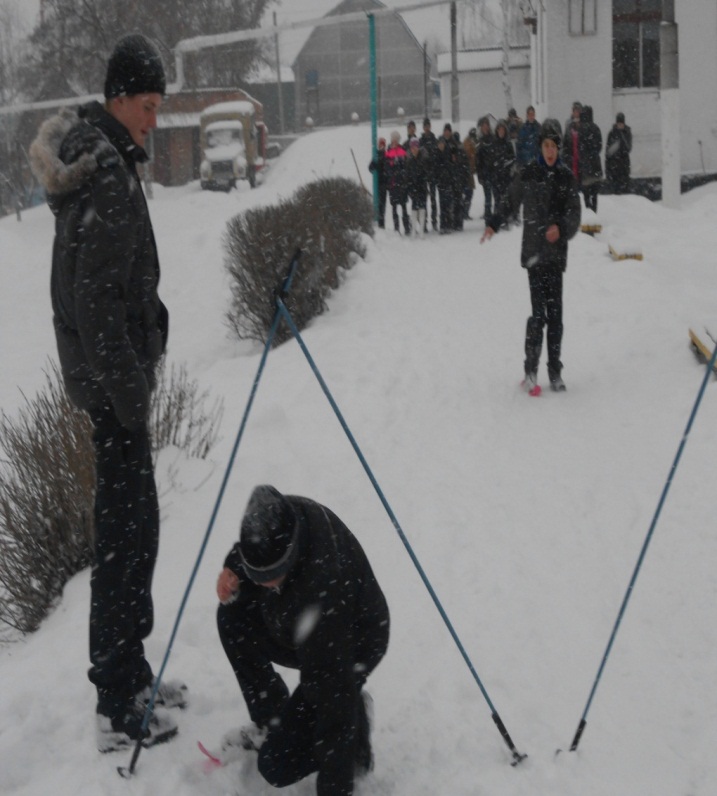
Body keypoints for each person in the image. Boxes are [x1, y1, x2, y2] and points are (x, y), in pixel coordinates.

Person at [29, 33, 185, 752]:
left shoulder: (105, 164)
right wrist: (129, 393)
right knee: (126, 543)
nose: (153, 118)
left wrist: (152, 323)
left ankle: (131, 670)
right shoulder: (108, 180)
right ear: (120, 98)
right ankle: (117, 701)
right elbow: (93, 304)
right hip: (113, 397)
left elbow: (108, 291)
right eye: (148, 105)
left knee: (135, 536)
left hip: (111, 392)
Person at [216, 485, 390, 796]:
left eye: (270, 574)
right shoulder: (283, 517)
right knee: (232, 616)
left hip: (350, 644)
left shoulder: (323, 594)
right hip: (291, 621)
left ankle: (356, 735)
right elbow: (253, 550)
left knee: (276, 766)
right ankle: (271, 721)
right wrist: (234, 570)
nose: (262, 582)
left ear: (290, 556)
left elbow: (332, 702)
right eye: (257, 574)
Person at [481, 119, 581, 394]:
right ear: (540, 147)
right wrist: (494, 222)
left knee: (556, 316)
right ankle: (531, 370)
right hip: (535, 255)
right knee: (539, 315)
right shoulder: (529, 173)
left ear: (559, 149)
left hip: (556, 256)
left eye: (553, 146)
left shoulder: (565, 178)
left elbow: (575, 214)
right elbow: (509, 201)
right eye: (546, 145)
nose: (550, 151)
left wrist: (560, 228)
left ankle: (555, 372)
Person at [489, 120, 516, 225]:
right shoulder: (494, 143)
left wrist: (506, 163)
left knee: (505, 198)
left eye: (502, 130)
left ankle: (505, 219)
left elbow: (513, 158)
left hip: (506, 176)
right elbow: (490, 160)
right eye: (499, 130)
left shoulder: (508, 143)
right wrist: (495, 164)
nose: (501, 132)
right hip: (496, 176)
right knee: (496, 199)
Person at [385, 130, 410, 234]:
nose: (394, 142)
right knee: (394, 207)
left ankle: (406, 227)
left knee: (404, 207)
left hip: (402, 184)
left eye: (396, 140)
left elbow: (406, 166)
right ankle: (396, 229)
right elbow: (386, 167)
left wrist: (401, 171)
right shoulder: (388, 152)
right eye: (393, 140)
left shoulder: (403, 151)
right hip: (393, 184)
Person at [405, 137, 429, 237]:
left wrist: (423, 184)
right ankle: (414, 230)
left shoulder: (423, 159)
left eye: (415, 147)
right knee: (414, 209)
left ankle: (422, 230)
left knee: (422, 209)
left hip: (422, 188)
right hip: (413, 189)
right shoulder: (409, 161)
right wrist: (410, 188)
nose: (414, 149)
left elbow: (426, 173)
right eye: (412, 147)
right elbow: (408, 176)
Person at [419, 117, 439, 231]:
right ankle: (424, 222)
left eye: (428, 126)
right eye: (425, 126)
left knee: (433, 198)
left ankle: (434, 221)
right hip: (423, 173)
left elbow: (435, 156)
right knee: (424, 199)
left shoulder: (434, 139)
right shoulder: (421, 140)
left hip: (432, 173)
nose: (426, 128)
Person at [606, 112, 632, 194]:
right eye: (619, 123)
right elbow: (608, 151)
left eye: (621, 123)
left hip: (623, 164)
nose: (620, 125)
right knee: (615, 189)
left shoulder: (627, 132)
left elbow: (628, 148)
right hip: (615, 165)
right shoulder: (612, 133)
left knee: (624, 188)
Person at [475, 116, 495, 219]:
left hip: (494, 171)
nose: (485, 127)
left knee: (495, 195)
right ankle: (488, 214)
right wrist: (480, 175)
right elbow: (478, 160)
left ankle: (495, 214)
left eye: (486, 125)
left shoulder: (493, 138)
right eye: (483, 125)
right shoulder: (480, 141)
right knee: (487, 195)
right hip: (485, 172)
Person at [368, 137, 389, 228]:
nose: (382, 146)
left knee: (383, 204)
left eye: (383, 144)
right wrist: (374, 166)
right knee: (378, 203)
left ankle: (381, 223)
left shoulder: (387, 155)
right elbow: (370, 168)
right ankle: (378, 222)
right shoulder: (375, 155)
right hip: (377, 183)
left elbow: (387, 168)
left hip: (384, 183)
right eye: (380, 144)